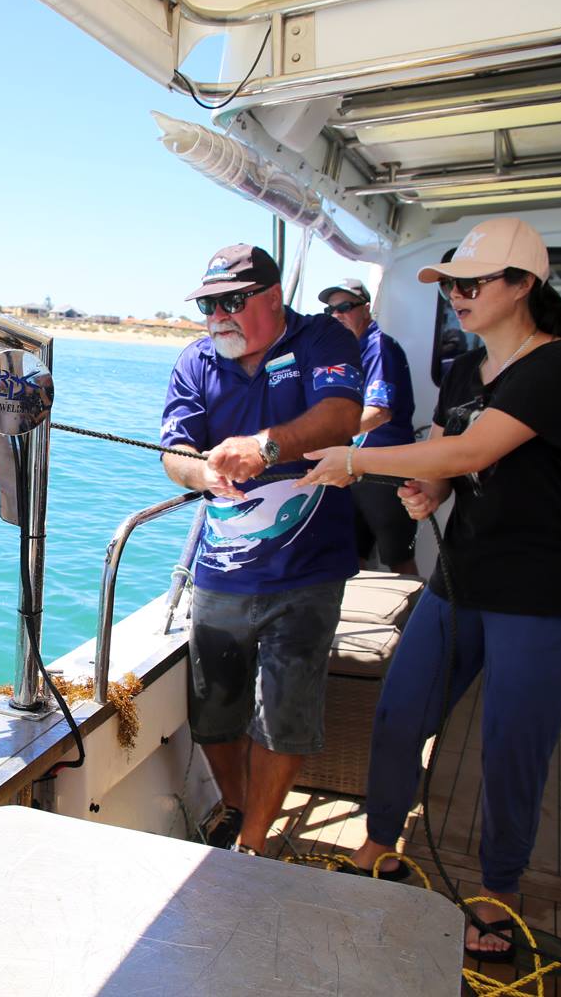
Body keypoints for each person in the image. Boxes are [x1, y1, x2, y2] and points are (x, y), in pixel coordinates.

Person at [296, 217, 561, 963]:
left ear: (524, 286)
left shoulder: (559, 366)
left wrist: (359, 461)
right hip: (461, 580)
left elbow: (477, 446)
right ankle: (379, 847)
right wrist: (430, 486)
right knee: (399, 716)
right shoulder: (467, 368)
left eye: (472, 284)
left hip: (546, 597)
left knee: (510, 752)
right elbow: (450, 450)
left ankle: (499, 894)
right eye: (450, 286)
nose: (457, 297)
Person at [160, 244, 363, 858]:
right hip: (221, 572)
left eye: (230, 302)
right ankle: (242, 805)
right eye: (207, 305)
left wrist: (266, 447)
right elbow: (174, 452)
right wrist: (201, 475)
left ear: (272, 299)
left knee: (287, 712)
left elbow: (341, 416)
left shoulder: (323, 340)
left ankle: (254, 838)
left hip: (309, 572)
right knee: (215, 714)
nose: (216, 316)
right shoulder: (194, 361)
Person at [319, 278, 418, 574]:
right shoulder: (345, 351)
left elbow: (379, 412)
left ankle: (414, 620)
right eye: (331, 310)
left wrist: (321, 439)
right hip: (352, 468)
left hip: (385, 472)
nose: (337, 315)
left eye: (345, 307)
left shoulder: (380, 348)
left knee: (398, 558)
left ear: (366, 309)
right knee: (352, 553)